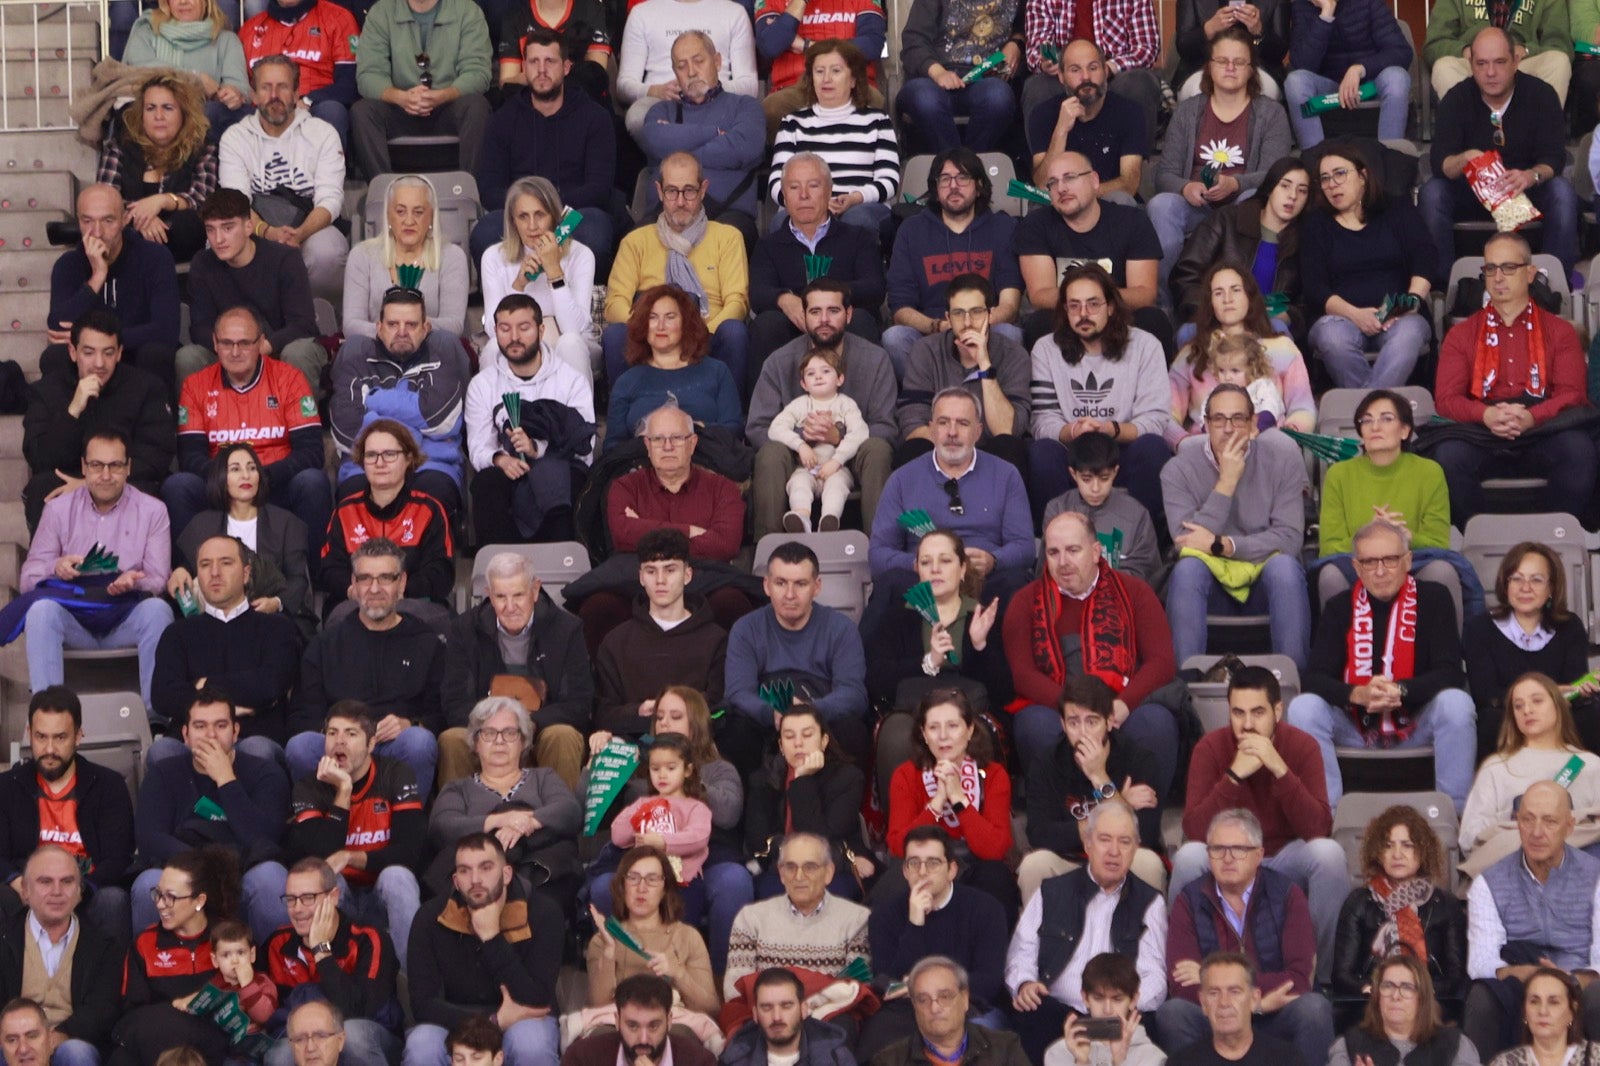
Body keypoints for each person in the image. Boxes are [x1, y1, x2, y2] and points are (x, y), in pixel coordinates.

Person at [1170, 667, 1347, 986]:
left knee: (1329, 855)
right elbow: (1195, 830)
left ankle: (1321, 981)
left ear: (1278, 711)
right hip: (1228, 855)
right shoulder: (1210, 748)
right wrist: (1234, 776)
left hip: (1282, 857)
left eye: (1258, 712)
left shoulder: (1303, 746)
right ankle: (1180, 977)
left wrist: (1279, 768)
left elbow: (1318, 827)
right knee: (1188, 857)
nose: (1247, 724)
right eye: (1238, 713)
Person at [1286, 518, 1476, 812]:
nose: (1380, 570)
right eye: (1370, 561)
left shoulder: (1435, 598)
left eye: (1390, 559)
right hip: (1356, 724)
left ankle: (1454, 815)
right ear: (1357, 567)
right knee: (1303, 708)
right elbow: (1314, 678)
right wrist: (1357, 694)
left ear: (1408, 560)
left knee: (1457, 703)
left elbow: (1450, 672)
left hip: (1415, 723)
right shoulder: (1339, 607)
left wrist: (1400, 691)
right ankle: (1328, 815)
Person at [1428, 231, 1596, 527]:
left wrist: (1531, 417)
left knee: (1580, 450)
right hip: (1481, 429)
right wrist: (1487, 414)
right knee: (1447, 458)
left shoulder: (1560, 331)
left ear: (1530, 273)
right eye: (1490, 269)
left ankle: (1551, 537)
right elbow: (1446, 401)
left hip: (1543, 426)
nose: (1498, 277)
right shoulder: (1461, 334)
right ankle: (1482, 535)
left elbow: (1572, 395)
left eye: (1509, 267)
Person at [1003, 512, 1179, 794]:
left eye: (1073, 550)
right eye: (1053, 552)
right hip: (1059, 705)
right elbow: (1023, 675)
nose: (1063, 562)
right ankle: (1064, 824)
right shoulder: (1025, 602)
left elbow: (1162, 663)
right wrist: (1075, 714)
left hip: (1121, 705)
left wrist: (1121, 705)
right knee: (1033, 725)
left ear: (1096, 551)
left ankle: (1143, 827)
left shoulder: (1135, 592)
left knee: (1156, 723)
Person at [584, 687, 752, 975]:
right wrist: (602, 762)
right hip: (641, 860)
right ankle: (623, 975)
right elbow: (591, 810)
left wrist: (687, 782)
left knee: (735, 882)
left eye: (675, 716)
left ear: (696, 724)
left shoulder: (717, 769)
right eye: (659, 716)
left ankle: (719, 981)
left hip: (705, 860)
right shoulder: (638, 765)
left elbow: (729, 814)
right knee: (602, 887)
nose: (664, 722)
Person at [1157, 815, 1334, 1066]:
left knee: (1314, 1010)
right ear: (1209, 856)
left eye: (1239, 849)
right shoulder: (1189, 900)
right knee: (1173, 1013)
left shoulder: (1287, 894)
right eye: (1218, 849)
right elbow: (1181, 984)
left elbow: (1299, 977)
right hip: (1217, 1014)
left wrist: (1246, 998)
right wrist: (1250, 1000)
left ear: (1259, 854)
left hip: (1276, 1013)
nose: (1228, 858)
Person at [166, 302, 329, 570]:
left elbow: (312, 451)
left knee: (313, 482)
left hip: (275, 482)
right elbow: (189, 456)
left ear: (262, 343)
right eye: (227, 343)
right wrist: (227, 477)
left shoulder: (289, 378)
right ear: (215, 343)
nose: (235, 351)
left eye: (245, 343)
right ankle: (192, 583)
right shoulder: (196, 385)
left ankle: (312, 580)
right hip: (221, 486)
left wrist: (263, 476)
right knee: (178, 486)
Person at [1160, 383, 1311, 670]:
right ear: (1205, 425)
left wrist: (1224, 545)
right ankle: (1186, 686)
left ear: (1254, 424)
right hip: (1211, 585)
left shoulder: (1282, 458)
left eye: (1238, 419)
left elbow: (1289, 539)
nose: (1228, 429)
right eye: (1218, 419)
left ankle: (1295, 688)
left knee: (1285, 567)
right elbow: (1188, 542)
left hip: (1265, 583)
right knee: (1188, 569)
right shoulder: (1177, 470)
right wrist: (1226, 483)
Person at [866, 388, 1035, 642]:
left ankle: (1006, 677)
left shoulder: (1006, 475)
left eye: (962, 423)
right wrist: (921, 565)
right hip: (923, 584)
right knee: (889, 585)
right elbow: (878, 555)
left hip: (983, 582)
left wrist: (993, 560)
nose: (952, 433)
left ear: (978, 431)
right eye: (944, 423)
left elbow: (1025, 548)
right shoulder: (902, 479)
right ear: (932, 429)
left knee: (1016, 582)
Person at [20, 431, 173, 710]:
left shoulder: (153, 511)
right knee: (40, 612)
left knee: (158, 611)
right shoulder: (57, 510)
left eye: (115, 465)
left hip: (124, 615)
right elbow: (28, 578)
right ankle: (47, 715)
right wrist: (56, 567)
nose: (105, 475)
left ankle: (155, 718)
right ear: (83, 467)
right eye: (96, 465)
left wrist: (134, 582)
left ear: (128, 468)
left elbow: (159, 578)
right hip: (75, 620)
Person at [1006, 800, 1167, 1064]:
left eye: (1125, 842)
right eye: (1105, 839)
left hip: (1120, 1016)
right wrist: (1024, 983)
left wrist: (1119, 1006)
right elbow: (1021, 953)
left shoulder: (1150, 902)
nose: (1114, 851)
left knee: (1147, 1026)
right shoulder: (1051, 892)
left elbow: (1155, 976)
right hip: (1058, 1013)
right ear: (1087, 844)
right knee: (1031, 1012)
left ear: (1135, 848)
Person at [1420, 30, 1578, 286]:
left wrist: (1531, 175)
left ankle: (1551, 288)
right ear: (1471, 64)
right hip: (1471, 194)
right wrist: (1466, 158)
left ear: (1515, 61)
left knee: (1562, 191)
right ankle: (1442, 291)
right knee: (1432, 193)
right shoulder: (1456, 98)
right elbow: (1440, 164)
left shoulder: (1541, 95)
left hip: (1525, 191)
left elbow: (1554, 159)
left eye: (1499, 62)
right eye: (1481, 64)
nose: (1490, 73)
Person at [747, 278, 899, 540]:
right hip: (796, 459)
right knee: (770, 453)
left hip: (854, 458)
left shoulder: (875, 359)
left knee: (878, 448)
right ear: (803, 316)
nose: (824, 319)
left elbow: (886, 426)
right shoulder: (779, 361)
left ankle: (880, 552)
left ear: (849, 314)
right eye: (815, 312)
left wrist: (838, 437)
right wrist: (803, 438)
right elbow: (757, 427)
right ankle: (767, 555)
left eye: (834, 311)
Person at [289, 538, 445, 794]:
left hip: (396, 744)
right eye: (365, 578)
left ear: (402, 583)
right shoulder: (326, 644)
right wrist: (337, 735)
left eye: (385, 578)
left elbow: (442, 713)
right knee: (300, 746)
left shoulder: (427, 642)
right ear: (353, 584)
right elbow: (301, 715)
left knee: (420, 741)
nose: (374, 588)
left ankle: (405, 827)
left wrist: (410, 724)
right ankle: (323, 824)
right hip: (339, 747)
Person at [131, 690, 290, 939]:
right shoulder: (164, 773)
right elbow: (149, 836)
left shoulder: (265, 773)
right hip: (185, 872)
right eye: (200, 726)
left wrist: (225, 778)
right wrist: (204, 868)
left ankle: (271, 972)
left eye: (221, 725)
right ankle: (158, 971)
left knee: (271, 878)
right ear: (185, 734)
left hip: (244, 872)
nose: (211, 735)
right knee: (147, 884)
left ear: (236, 731)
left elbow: (264, 838)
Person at [1147, 28, 1294, 287]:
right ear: (1209, 67)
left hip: (1242, 204)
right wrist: (1185, 187)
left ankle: (1249, 300)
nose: (1230, 68)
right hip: (1195, 206)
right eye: (1222, 61)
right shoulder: (1187, 112)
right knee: (1162, 205)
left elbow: (1275, 175)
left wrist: (1235, 184)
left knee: (1253, 201)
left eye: (1239, 62)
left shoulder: (1271, 114)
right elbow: (1165, 174)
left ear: (1251, 69)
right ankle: (1164, 302)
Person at [1464, 781, 1600, 1058]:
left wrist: (1569, 981)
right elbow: (1480, 962)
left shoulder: (1596, 876)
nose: (1537, 832)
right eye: (1528, 820)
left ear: (1570, 826)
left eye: (1549, 821)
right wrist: (1526, 975)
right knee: (1481, 999)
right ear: (1517, 823)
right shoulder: (1489, 882)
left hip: (1581, 980)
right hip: (1521, 977)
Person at [1031, 264, 1174, 526]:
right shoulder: (1046, 348)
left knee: (1153, 448)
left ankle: (1143, 540)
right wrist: (1074, 431)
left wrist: (1111, 429)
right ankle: (1054, 539)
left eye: (1093, 304)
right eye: (1074, 305)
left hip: (1122, 449)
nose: (1083, 314)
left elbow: (1154, 420)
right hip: (1073, 452)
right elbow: (1043, 420)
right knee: (1042, 453)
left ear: (1110, 306)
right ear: (1065, 310)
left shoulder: (1145, 345)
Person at [402, 833, 563, 1066]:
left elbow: (536, 998)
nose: (475, 879)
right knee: (421, 1046)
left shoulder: (543, 913)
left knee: (531, 1045)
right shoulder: (430, 917)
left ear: (507, 874)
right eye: (465, 871)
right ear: (456, 881)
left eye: (486, 867)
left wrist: (491, 938)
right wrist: (493, 1020)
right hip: (455, 1021)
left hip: (523, 1019)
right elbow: (423, 1004)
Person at [283, 704, 424, 965]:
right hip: (341, 896)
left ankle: (412, 981)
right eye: (332, 733)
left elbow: (409, 854)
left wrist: (350, 856)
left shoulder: (395, 774)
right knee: (328, 879)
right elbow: (319, 856)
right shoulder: (308, 786)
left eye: (351, 734)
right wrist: (344, 791)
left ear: (371, 744)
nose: (340, 742)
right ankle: (337, 972)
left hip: (382, 895)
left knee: (398, 877)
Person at [469, 27, 619, 269]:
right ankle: (508, 303)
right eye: (533, 62)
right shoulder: (503, 119)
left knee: (595, 230)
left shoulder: (594, 117)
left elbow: (599, 188)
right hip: (521, 215)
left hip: (571, 213)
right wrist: (529, 212)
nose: (541, 70)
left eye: (550, 61)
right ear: (524, 68)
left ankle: (585, 303)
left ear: (566, 67)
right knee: (484, 234)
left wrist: (549, 211)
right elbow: (488, 188)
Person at [439, 555, 590, 787]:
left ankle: (560, 819)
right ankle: (459, 820)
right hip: (486, 731)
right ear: (489, 593)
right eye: (500, 597)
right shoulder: (463, 630)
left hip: (542, 728)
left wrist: (525, 725)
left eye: (518, 595)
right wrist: (495, 729)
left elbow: (578, 704)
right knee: (452, 740)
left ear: (535, 589)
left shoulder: (567, 629)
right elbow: (454, 703)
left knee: (563, 736)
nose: (510, 607)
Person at [602, 153, 750, 389]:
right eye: (672, 191)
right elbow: (614, 304)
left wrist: (697, 332)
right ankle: (623, 419)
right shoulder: (635, 241)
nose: (680, 201)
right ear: (659, 191)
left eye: (689, 190)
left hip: (707, 333)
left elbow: (737, 302)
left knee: (734, 331)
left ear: (703, 190)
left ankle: (729, 421)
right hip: (652, 335)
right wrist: (653, 329)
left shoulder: (728, 237)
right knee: (615, 334)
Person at [1313, 389, 1466, 616]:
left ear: (1404, 430)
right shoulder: (1339, 474)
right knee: (1330, 575)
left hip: (1412, 564)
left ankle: (1449, 652)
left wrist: (1403, 537)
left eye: (1386, 418)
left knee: (1442, 572)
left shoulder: (1429, 472)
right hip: (1358, 565)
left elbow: (1438, 544)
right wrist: (1371, 536)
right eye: (1367, 420)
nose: (1375, 426)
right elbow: (1329, 548)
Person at [22, 309, 174, 534]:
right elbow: (40, 458)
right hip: (69, 479)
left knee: (151, 489)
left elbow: (155, 458)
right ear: (73, 352)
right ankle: (50, 567)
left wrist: (93, 483)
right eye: (89, 352)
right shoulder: (46, 391)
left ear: (120, 353)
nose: (99, 363)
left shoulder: (146, 388)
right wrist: (73, 410)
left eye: (108, 352)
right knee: (42, 487)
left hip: (125, 479)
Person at [428, 698, 583, 917]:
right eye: (489, 733)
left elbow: (569, 811)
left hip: (539, 880)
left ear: (523, 741)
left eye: (510, 733)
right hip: (476, 886)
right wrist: (501, 820)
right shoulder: (458, 789)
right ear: (475, 742)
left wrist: (527, 823)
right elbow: (442, 827)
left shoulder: (543, 777)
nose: (499, 741)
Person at [1016, 675, 1168, 897]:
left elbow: (1143, 834)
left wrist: (1100, 777)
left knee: (1148, 863)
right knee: (1034, 865)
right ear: (1062, 724)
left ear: (1109, 721)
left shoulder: (1138, 759)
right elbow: (1040, 834)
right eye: (1074, 722)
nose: (1083, 732)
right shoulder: (1046, 763)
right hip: (1069, 861)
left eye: (1092, 721)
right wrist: (1121, 804)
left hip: (1120, 859)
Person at [861, 833, 1009, 1059]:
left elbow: (989, 982)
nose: (922, 871)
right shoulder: (884, 915)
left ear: (952, 870)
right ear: (905, 871)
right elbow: (888, 982)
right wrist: (915, 924)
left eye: (932, 863)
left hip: (970, 1007)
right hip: (905, 1011)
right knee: (877, 1039)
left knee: (982, 1040)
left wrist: (930, 992)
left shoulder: (986, 909)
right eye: (914, 863)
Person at [721, 542, 869, 767]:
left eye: (800, 584)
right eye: (781, 583)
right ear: (767, 585)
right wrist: (773, 713)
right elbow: (737, 692)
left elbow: (854, 693)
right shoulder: (746, 629)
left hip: (821, 718)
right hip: (766, 721)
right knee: (734, 731)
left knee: (852, 730)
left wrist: (810, 711)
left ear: (817, 586)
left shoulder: (840, 628)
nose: (790, 594)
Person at [0, 690, 135, 933]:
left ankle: (113, 972)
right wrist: (16, 881)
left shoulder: (108, 785)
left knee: (113, 900)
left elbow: (118, 858)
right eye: (41, 737)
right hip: (27, 889)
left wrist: (80, 888)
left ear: (78, 736)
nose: (49, 749)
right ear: (29, 734)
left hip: (88, 889)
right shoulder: (7, 787)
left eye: (60, 737)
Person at [217, 53, 349, 302]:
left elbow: (330, 200)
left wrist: (299, 234)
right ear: (254, 95)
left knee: (328, 253)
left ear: (297, 93)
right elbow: (236, 202)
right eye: (266, 88)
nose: (274, 96)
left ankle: (316, 321)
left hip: (309, 224)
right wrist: (267, 232)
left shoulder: (323, 133)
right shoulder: (235, 137)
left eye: (283, 87)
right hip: (255, 223)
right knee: (222, 238)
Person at [884, 152, 1025, 382]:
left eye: (963, 178)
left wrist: (972, 325)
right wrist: (937, 326)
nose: (953, 186)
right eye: (945, 179)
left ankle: (989, 400)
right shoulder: (912, 230)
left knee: (1009, 333)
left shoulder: (1003, 227)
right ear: (935, 190)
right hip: (931, 333)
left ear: (979, 186)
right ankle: (926, 405)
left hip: (986, 330)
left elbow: (1010, 305)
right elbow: (900, 308)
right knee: (895, 338)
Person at [465, 295, 595, 545]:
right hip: (510, 468)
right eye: (505, 328)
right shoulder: (482, 384)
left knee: (568, 479)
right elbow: (479, 446)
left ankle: (564, 567)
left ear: (541, 329)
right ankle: (500, 566)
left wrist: (539, 449)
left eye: (524, 328)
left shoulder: (571, 380)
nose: (514, 337)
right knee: (486, 483)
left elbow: (584, 449)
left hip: (559, 466)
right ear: (495, 332)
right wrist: (500, 459)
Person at [1301, 145, 1433, 389]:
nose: (1332, 184)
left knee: (1408, 335)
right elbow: (1314, 286)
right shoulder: (1316, 223)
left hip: (1399, 315)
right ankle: (1381, 414)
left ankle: (1365, 414)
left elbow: (1424, 259)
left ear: (1362, 176)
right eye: (1325, 179)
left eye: (1340, 174)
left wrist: (1408, 303)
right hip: (1340, 319)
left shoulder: (1397, 208)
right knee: (1332, 339)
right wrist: (1355, 315)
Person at [150, 534, 301, 745]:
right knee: (162, 751)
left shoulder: (277, 628)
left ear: (246, 573)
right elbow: (163, 696)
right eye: (205, 565)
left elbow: (268, 686)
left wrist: (204, 685)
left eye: (226, 563)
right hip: (190, 743)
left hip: (256, 739)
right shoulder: (177, 633)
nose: (214, 573)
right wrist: (229, 709)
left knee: (257, 749)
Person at [749, 154, 886, 387]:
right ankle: (766, 416)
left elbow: (874, 288)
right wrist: (783, 299)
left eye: (813, 185)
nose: (803, 195)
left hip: (844, 326)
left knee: (862, 318)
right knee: (767, 324)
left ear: (829, 190)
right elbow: (758, 293)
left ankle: (863, 411)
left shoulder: (858, 238)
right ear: (784, 194)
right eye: (794, 187)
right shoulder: (769, 244)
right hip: (794, 329)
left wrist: (826, 301)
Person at [329, 290, 468, 513]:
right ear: (379, 328)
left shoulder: (442, 354)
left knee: (434, 495)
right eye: (393, 324)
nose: (401, 332)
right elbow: (347, 431)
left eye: (411, 325)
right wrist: (412, 428)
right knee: (353, 496)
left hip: (430, 465)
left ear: (426, 328)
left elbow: (439, 420)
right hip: (365, 468)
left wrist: (374, 400)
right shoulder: (355, 359)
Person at [879, 691, 1015, 916]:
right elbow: (897, 846)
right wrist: (937, 802)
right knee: (894, 883)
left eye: (952, 726)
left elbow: (995, 850)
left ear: (970, 730)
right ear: (923, 734)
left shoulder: (993, 774)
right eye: (933, 727)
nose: (943, 736)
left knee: (996, 877)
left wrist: (959, 799)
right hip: (924, 865)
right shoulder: (906, 775)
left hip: (974, 866)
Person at [175, 190, 327, 391]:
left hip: (277, 347)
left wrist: (263, 346)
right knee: (188, 357)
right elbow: (200, 327)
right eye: (210, 230)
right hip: (229, 350)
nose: (218, 239)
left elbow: (303, 324)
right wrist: (230, 347)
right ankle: (198, 422)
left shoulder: (284, 259)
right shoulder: (203, 263)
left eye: (227, 228)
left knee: (299, 352)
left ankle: (302, 421)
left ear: (248, 226)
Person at [260, 858, 402, 1066]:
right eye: (291, 899)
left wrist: (321, 951)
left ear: (333, 897)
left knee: (352, 1037)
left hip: (372, 1035)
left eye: (308, 898)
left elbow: (361, 1012)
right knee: (279, 1053)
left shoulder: (368, 939)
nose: (297, 909)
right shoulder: (277, 943)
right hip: (306, 1034)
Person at [41, 185, 179, 393]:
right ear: (78, 222)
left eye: (108, 220)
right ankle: (68, 422)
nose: (97, 232)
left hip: (136, 354)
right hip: (90, 362)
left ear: (124, 219)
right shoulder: (68, 264)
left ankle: (154, 423)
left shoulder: (155, 258)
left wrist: (105, 343)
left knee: (156, 353)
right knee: (54, 357)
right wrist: (97, 277)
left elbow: (165, 329)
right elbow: (57, 327)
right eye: (87, 221)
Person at [1464, 544, 1597, 754]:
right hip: (1507, 714)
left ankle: (1583, 783)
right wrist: (1545, 694)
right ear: (1505, 584)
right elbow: (1486, 695)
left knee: (1591, 714)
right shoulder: (1479, 628)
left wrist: (1582, 689)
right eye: (1516, 578)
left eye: (1536, 579)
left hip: (1560, 714)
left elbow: (1573, 684)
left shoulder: (1570, 626)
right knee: (1491, 720)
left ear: (1551, 588)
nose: (1525, 588)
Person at [115, 846, 243, 1065]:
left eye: (170, 897)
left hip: (216, 1052)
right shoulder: (145, 944)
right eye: (158, 894)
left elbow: (248, 1000)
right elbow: (134, 1016)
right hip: (156, 1050)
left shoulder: (231, 939)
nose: (160, 904)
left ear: (199, 901)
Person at [165, 443, 312, 632]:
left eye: (252, 468)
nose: (246, 475)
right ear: (221, 477)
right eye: (235, 469)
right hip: (215, 621)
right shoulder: (202, 524)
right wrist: (180, 571)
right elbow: (191, 568)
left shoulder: (286, 523)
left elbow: (298, 580)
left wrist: (276, 602)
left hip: (269, 621)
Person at [593, 530, 727, 735]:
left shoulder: (716, 640)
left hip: (694, 749)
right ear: (640, 577)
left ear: (687, 575)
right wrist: (637, 711)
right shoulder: (615, 642)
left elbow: (719, 710)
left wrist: (675, 713)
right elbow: (603, 714)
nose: (660, 580)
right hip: (631, 751)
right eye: (651, 571)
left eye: (670, 570)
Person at [0, 845, 123, 1066]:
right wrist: (21, 1040)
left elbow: (103, 1008)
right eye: (45, 882)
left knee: (76, 1053)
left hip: (71, 1040)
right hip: (12, 1036)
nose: (57, 891)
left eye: (67, 882)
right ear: (25, 891)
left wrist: (55, 1037)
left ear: (79, 892)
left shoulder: (104, 945)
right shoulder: (4, 937)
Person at [1459, 672, 1600, 864]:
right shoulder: (1496, 768)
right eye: (1518, 706)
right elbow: (1469, 838)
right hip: (1513, 875)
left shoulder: (1589, 765)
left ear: (1559, 705)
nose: (1527, 710)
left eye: (1537, 701)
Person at [636, 31, 765, 241]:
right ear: (675, 72)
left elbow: (744, 147)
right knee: (635, 240)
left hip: (728, 216)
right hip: (665, 216)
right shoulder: (661, 111)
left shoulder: (745, 106)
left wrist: (676, 150)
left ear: (717, 61)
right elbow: (653, 138)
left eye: (699, 61)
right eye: (681, 66)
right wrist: (714, 133)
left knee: (731, 238)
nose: (692, 72)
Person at [862, 533, 1010, 715]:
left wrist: (980, 647)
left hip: (971, 718)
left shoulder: (983, 617)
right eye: (926, 562)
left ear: (963, 568)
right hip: (910, 716)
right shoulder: (896, 616)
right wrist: (929, 663)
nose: (935, 569)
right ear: (917, 570)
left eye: (945, 561)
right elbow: (876, 683)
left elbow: (1004, 694)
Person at [894, 274, 1030, 471]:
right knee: (912, 449)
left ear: (990, 314)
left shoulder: (1014, 354)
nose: (967, 322)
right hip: (940, 451)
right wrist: (958, 449)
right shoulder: (925, 351)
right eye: (958, 313)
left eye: (976, 312)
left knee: (1010, 448)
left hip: (991, 455)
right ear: (948, 318)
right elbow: (912, 425)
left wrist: (984, 364)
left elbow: (1007, 431)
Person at [1165, 265, 1315, 443]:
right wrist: (1182, 442)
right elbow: (1167, 414)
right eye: (1218, 293)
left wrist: (1289, 433)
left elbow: (1303, 408)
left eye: (1235, 290)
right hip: (1207, 449)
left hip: (1267, 445)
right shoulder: (1192, 354)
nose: (1227, 299)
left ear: (1249, 297)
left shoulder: (1282, 349)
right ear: (1210, 302)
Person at [1331, 806, 1466, 1003]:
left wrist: (1418, 993)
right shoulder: (1358, 902)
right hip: (1372, 1004)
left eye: (1407, 845)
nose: (1397, 854)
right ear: (1377, 852)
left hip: (1431, 1006)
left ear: (1423, 851)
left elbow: (1455, 977)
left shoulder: (1446, 904)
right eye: (1388, 845)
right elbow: (1342, 975)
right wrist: (1379, 990)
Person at [768, 40, 901, 238]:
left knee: (857, 222)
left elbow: (889, 181)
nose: (826, 79)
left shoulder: (878, 121)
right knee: (782, 222)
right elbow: (776, 182)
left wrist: (855, 198)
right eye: (819, 71)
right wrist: (813, 203)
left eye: (836, 71)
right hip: (805, 204)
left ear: (853, 79)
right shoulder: (792, 123)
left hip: (861, 205)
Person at [318, 423, 456, 612]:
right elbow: (329, 569)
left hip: (413, 609)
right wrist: (354, 590)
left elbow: (441, 573)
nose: (380, 463)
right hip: (357, 609)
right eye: (371, 455)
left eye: (390, 454)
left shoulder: (429, 510)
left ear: (408, 458)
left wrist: (396, 592)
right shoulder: (345, 511)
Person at [349, 0, 492, 178]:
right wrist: (400, 97)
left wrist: (444, 95)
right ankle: (385, 194)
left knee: (477, 106)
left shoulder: (467, 10)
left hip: (448, 106)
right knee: (362, 111)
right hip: (400, 108)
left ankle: (470, 192)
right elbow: (368, 75)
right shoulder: (381, 12)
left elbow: (478, 71)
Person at [479, 177, 601, 383]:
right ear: (513, 221)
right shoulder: (493, 257)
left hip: (570, 343)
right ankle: (498, 414)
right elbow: (494, 329)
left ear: (554, 217)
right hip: (519, 343)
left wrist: (554, 271)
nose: (532, 226)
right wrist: (518, 286)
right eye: (523, 217)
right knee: (492, 348)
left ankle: (578, 416)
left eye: (540, 215)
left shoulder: (581, 255)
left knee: (570, 343)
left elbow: (574, 328)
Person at [744, 710, 874, 899]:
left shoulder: (848, 778)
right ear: (781, 745)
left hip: (832, 870)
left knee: (832, 895)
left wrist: (802, 780)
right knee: (770, 893)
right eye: (789, 736)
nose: (798, 743)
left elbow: (821, 838)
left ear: (824, 741)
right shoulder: (763, 780)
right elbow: (758, 841)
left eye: (807, 735)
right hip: (779, 867)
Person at [1168, 157, 1310, 328]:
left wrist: (1288, 316)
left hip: (1268, 323)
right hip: (1215, 318)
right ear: (1270, 188)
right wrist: (1212, 312)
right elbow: (1187, 274)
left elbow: (1306, 302)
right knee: (1190, 332)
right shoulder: (1227, 219)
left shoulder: (1306, 239)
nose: (1293, 196)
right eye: (1285, 186)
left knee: (1278, 330)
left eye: (1302, 190)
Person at [600, 403, 746, 568]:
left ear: (692, 443)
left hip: (705, 578)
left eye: (677, 438)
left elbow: (725, 546)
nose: (667, 447)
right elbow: (622, 535)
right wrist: (690, 531)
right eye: (658, 439)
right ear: (648, 446)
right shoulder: (625, 487)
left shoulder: (723, 489)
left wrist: (643, 531)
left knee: (732, 594)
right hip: (639, 581)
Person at [723, 835, 871, 998]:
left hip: (831, 1018)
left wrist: (807, 1007)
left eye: (810, 867)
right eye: (791, 867)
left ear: (829, 873)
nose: (799, 876)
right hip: (768, 1018)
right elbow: (735, 990)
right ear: (781, 874)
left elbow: (855, 988)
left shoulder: (858, 919)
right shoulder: (750, 919)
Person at [94, 71, 216, 264]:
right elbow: (105, 198)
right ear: (141, 114)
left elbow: (204, 199)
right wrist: (142, 217)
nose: (158, 116)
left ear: (183, 113)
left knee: (188, 224)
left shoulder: (202, 147)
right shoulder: (120, 144)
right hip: (130, 243)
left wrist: (163, 201)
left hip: (182, 244)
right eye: (150, 108)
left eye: (167, 108)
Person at [583, 848, 719, 1017]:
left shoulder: (688, 937)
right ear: (622, 885)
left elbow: (711, 1009)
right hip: (618, 1027)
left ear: (665, 888)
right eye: (633, 878)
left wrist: (678, 974)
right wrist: (609, 953)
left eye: (652, 879)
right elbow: (596, 1009)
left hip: (675, 1027)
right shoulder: (602, 940)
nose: (642, 887)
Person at [606, 289, 743, 453]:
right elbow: (612, 446)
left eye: (670, 317)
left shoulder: (717, 371)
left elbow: (734, 430)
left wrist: (693, 427)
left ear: (686, 323)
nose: (661, 326)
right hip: (643, 468)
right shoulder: (627, 381)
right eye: (652, 317)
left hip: (707, 464)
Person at [1019, 0, 1164, 146]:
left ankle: (1134, 162)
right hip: (1066, 73)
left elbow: (1147, 48)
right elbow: (1035, 50)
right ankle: (1044, 164)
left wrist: (1108, 68)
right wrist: (1045, 63)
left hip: (1114, 70)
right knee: (1037, 87)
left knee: (1138, 83)